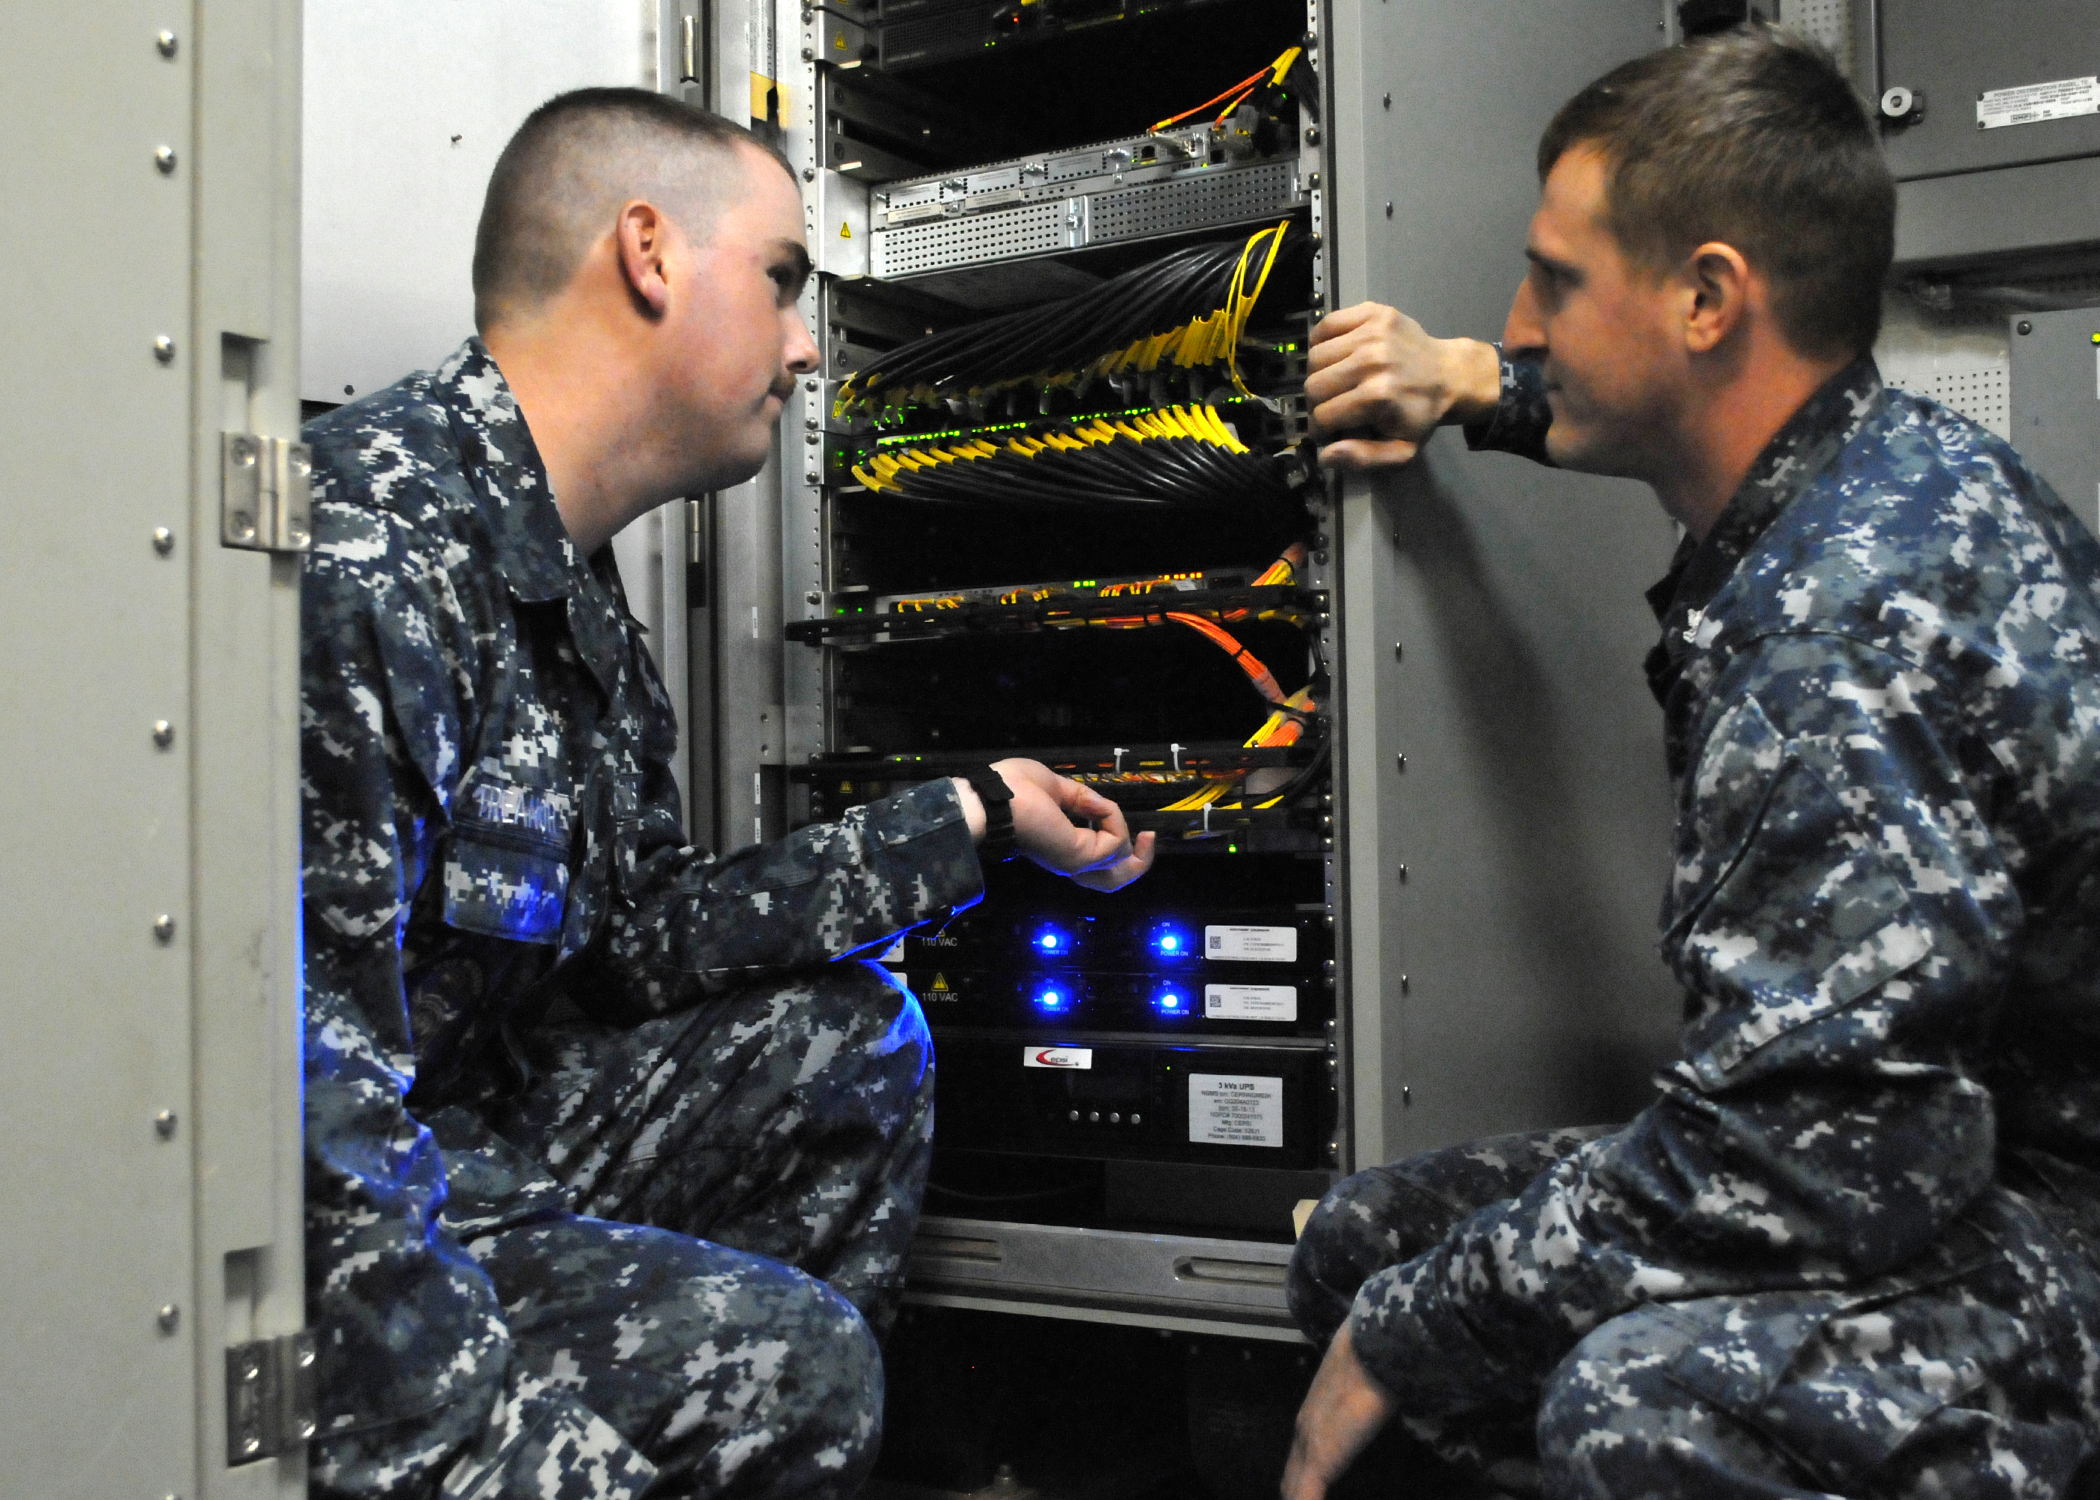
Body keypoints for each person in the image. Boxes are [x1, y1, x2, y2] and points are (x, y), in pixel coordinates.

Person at [299, 88, 1154, 1500]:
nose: (811, 344)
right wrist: (526, 1457)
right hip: (359, 1231)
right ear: (650, 253)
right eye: (782, 281)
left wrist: (972, 812)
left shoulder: (566, 570)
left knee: (850, 1040)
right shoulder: (372, 558)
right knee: (796, 1367)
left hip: (481, 1144)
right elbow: (300, 1117)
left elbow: (640, 940)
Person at [1283, 27, 2100, 1500]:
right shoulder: (1857, 465)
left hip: (2046, 1207)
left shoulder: (1847, 621)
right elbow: (1587, 378)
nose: (1516, 322)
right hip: (1931, 1151)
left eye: (1554, 280)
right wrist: (1465, 384)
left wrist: (1412, 1339)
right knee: (1367, 1243)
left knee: (1643, 1402)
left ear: (1709, 298)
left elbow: (1812, 1160)